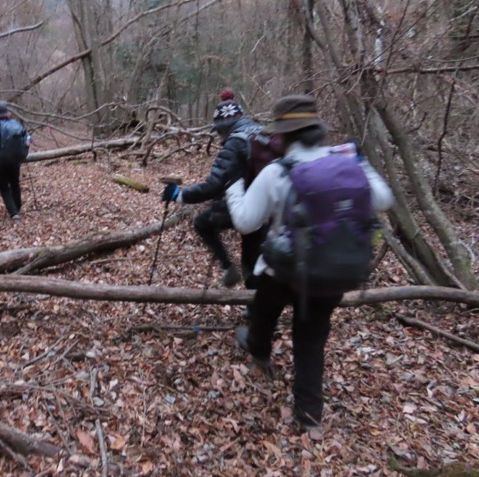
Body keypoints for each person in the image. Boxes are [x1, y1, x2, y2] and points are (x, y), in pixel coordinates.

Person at [224, 94, 393, 434]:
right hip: (334, 271)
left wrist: (233, 189)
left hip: (285, 272)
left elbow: (245, 222)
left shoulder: (278, 172)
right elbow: (384, 199)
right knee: (311, 340)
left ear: (282, 136)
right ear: (317, 130)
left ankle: (258, 347)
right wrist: (363, 165)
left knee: (265, 306)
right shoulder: (348, 162)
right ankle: (310, 417)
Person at [161, 89, 268, 290]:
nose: (219, 137)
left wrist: (180, 195)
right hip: (273, 204)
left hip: (247, 207)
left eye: (219, 131)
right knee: (254, 258)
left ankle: (230, 270)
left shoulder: (234, 143)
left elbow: (214, 184)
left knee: (202, 224)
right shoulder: (262, 133)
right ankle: (258, 306)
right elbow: (240, 174)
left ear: (224, 127)